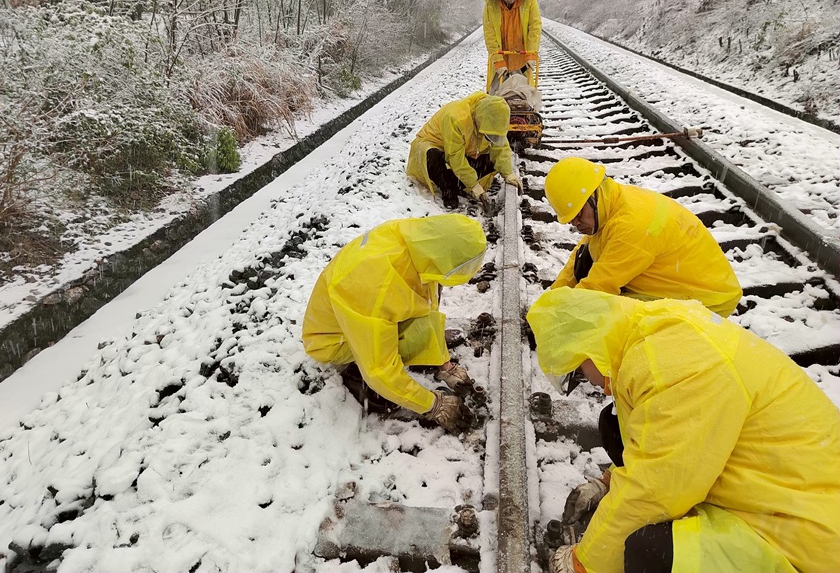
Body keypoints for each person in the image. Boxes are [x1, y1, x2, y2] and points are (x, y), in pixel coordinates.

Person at [527, 288, 840, 573]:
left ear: (588, 348)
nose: (592, 384)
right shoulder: (650, 332)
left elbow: (656, 488)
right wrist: (608, 482)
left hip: (805, 532)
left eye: (580, 375)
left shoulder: (672, 367)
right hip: (773, 482)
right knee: (614, 424)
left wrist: (585, 563)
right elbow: (657, 439)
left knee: (649, 551)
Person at [302, 214, 485, 434]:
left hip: (357, 311)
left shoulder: (415, 242)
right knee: (381, 381)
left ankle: (402, 357)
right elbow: (381, 370)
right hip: (333, 342)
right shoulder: (377, 290)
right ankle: (355, 374)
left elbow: (428, 300)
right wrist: (433, 405)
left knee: (417, 318)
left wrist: (443, 363)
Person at [544, 156, 742, 317]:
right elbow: (582, 254)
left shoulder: (631, 226)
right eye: (571, 220)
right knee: (586, 268)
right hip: (679, 282)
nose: (576, 223)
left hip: (707, 300)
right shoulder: (612, 201)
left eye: (578, 214)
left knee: (613, 317)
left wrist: (557, 317)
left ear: (594, 197)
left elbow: (599, 286)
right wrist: (555, 295)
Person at [406, 91, 522, 210]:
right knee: (433, 156)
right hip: (434, 146)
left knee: (492, 162)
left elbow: (500, 146)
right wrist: (474, 186)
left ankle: (456, 183)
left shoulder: (493, 112)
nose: (491, 139)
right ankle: (448, 191)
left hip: (461, 148)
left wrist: (508, 174)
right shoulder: (456, 118)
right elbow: (455, 156)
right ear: (479, 121)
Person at [483, 0, 542, 93]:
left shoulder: (529, 0)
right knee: (495, 96)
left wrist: (531, 54)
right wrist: (498, 61)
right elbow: (490, 34)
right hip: (500, 56)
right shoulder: (491, 5)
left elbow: (534, 27)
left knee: (525, 95)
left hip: (521, 58)